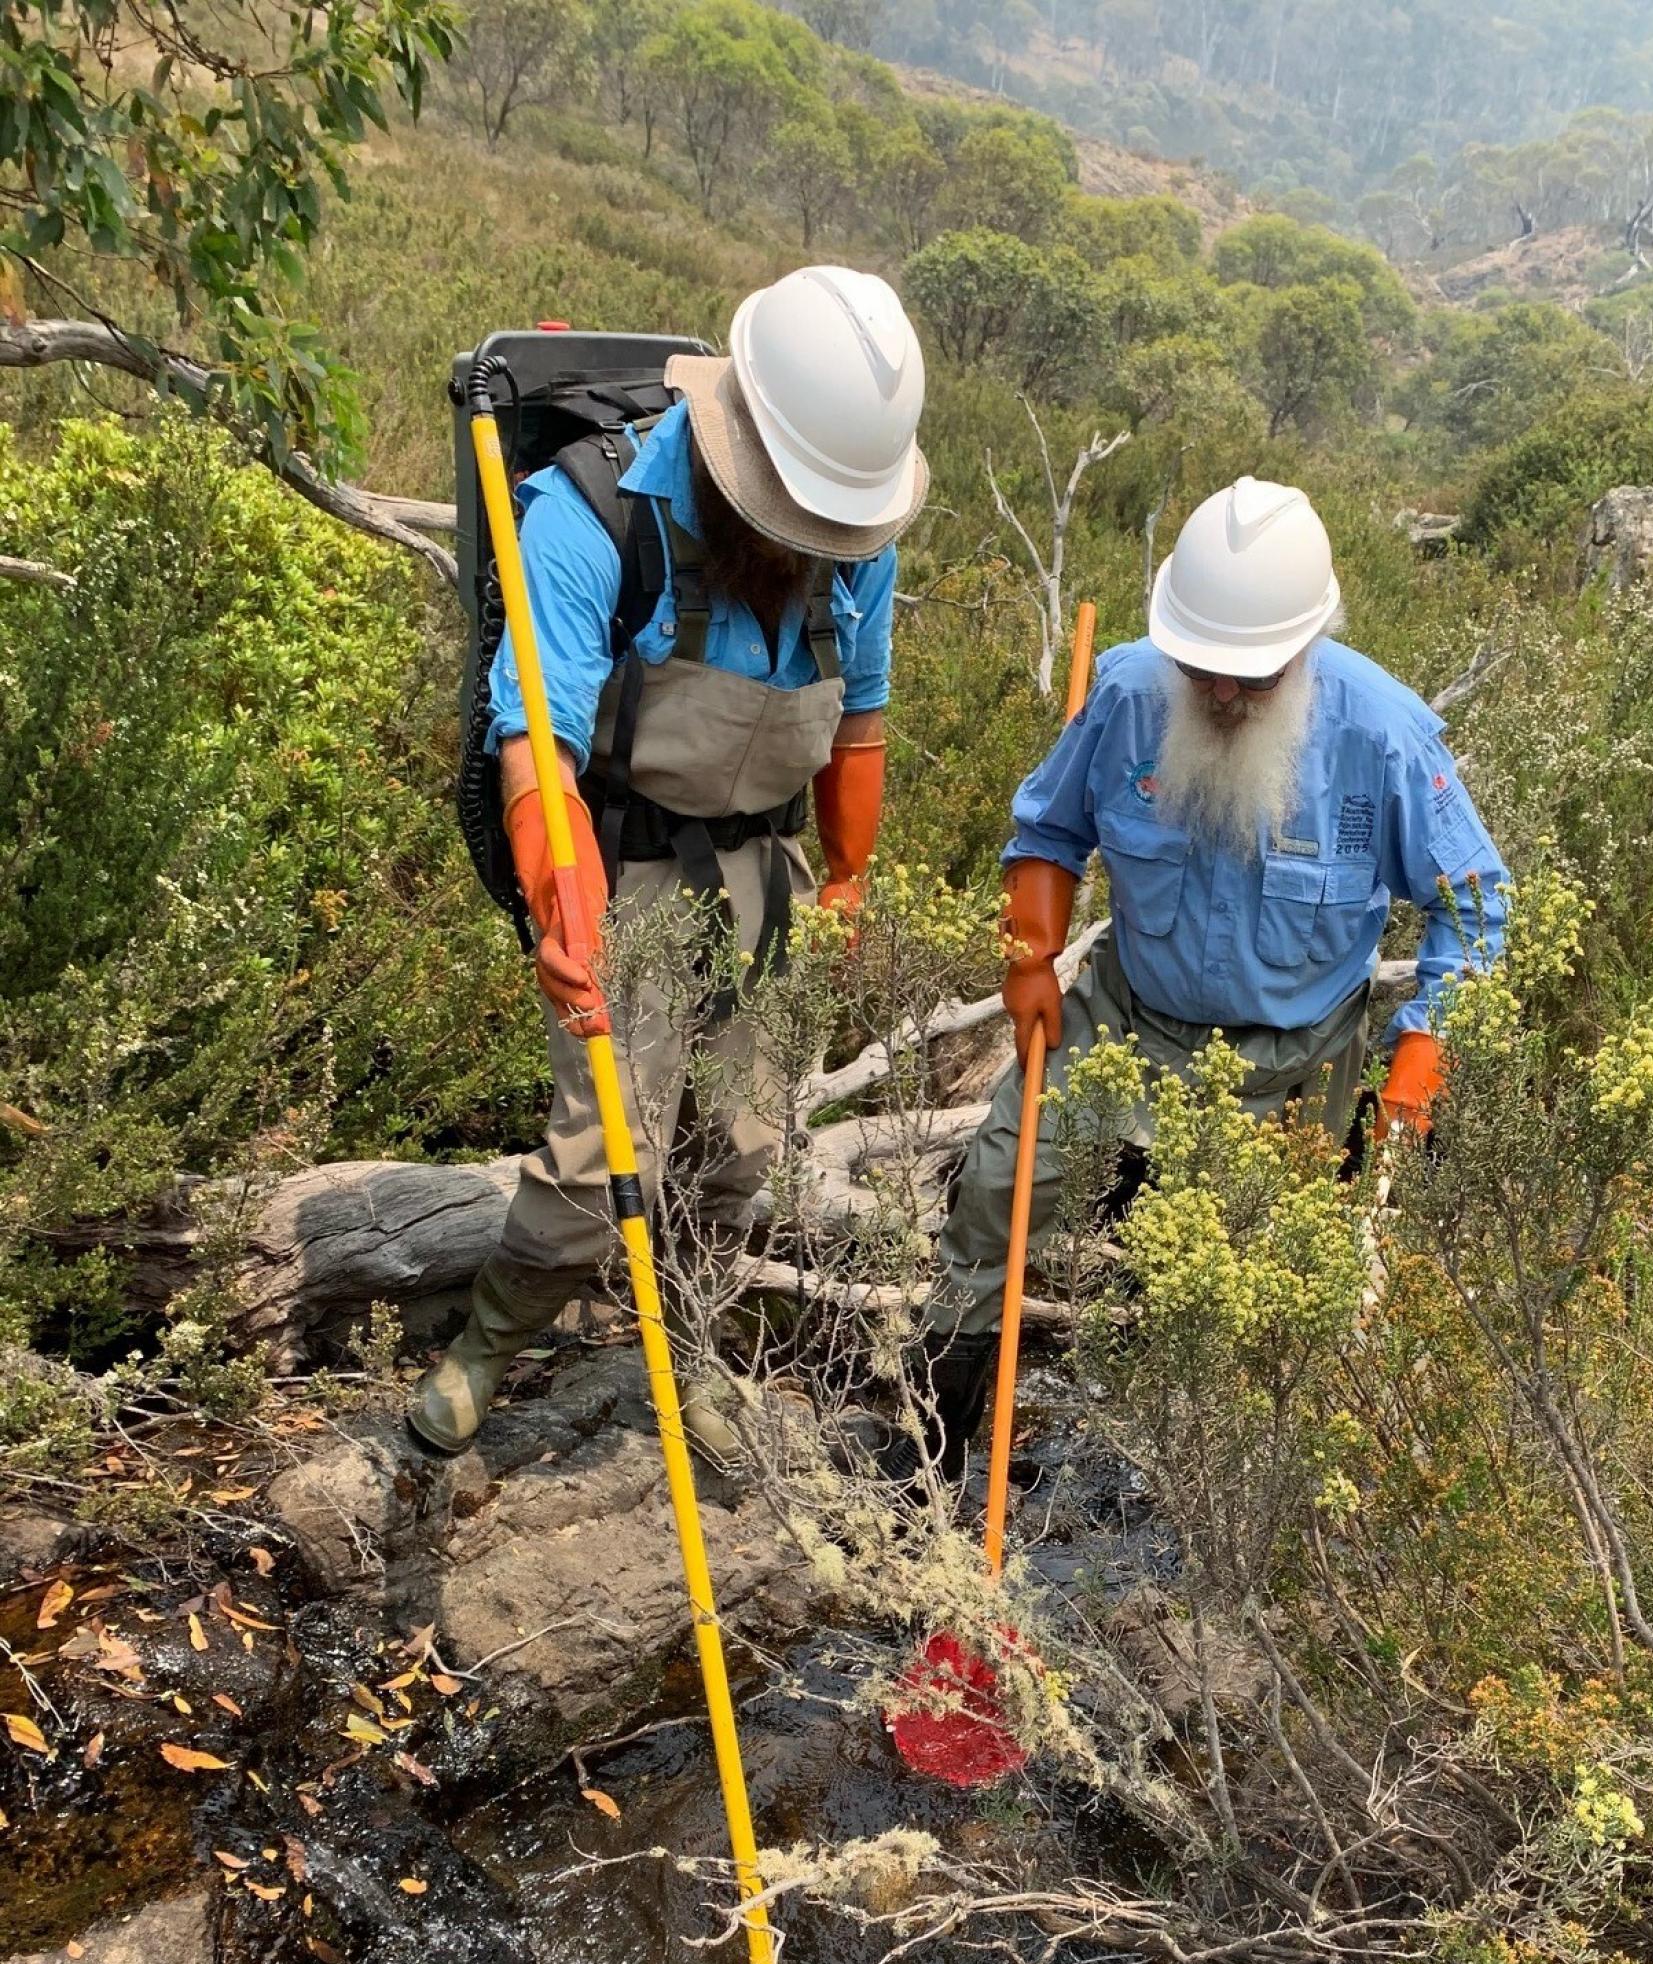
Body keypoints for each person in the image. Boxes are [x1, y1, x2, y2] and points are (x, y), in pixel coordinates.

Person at [409, 265, 929, 1467]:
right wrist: (562, 909)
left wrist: (845, 878)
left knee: (744, 1142)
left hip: (770, 872)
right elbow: (536, 743)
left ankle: (686, 1345)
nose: (820, 546)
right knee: (599, 1156)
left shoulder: (857, 547)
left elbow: (861, 719)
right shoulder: (588, 517)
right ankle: (489, 1344)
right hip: (623, 862)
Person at [918, 474, 1511, 1472]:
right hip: (1121, 1019)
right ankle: (932, 1437)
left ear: (1306, 646)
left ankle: (1185, 1497)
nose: (1224, 693)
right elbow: (1047, 829)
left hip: (1291, 1064)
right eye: (1203, 670)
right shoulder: (1122, 691)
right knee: (992, 1190)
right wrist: (1027, 958)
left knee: (1239, 1294)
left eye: (1252, 676)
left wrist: (1420, 1058)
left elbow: (1471, 907)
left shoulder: (1382, 737)